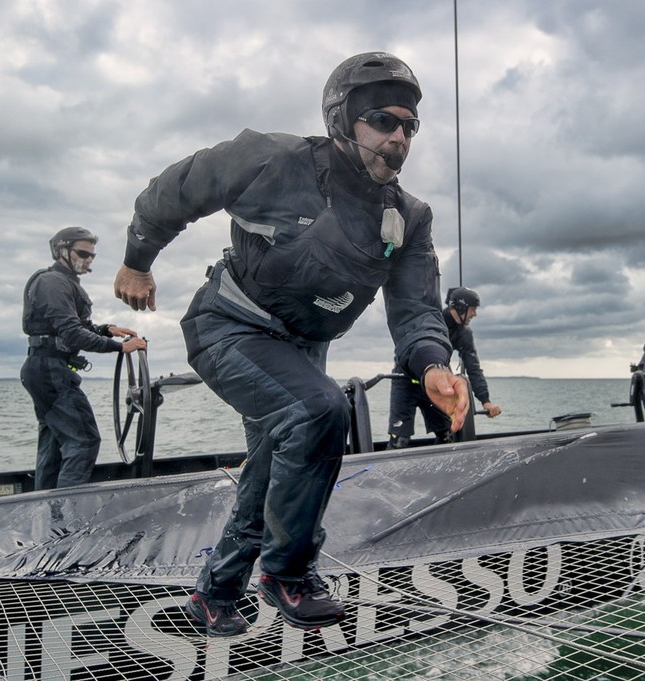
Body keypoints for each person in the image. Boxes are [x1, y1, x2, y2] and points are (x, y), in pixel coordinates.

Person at [112, 52, 469, 637]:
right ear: (342, 118)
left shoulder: (409, 216)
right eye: (383, 120)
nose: (399, 137)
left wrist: (432, 364)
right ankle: (288, 573)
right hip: (229, 326)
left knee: (278, 459)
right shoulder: (271, 159)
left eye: (410, 127)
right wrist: (137, 261)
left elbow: (416, 309)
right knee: (318, 410)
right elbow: (176, 190)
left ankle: (216, 593)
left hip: (301, 348)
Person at [21, 227, 147, 490]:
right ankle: (67, 518)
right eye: (82, 253)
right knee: (85, 440)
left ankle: (48, 514)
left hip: (45, 369)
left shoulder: (66, 284)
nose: (88, 260)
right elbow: (72, 333)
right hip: (50, 371)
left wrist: (106, 329)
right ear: (61, 251)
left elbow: (74, 327)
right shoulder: (52, 282)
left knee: (54, 443)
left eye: (92, 256)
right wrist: (119, 347)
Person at [387, 286, 502, 448]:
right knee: (399, 440)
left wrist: (485, 401)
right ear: (461, 307)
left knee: (447, 435)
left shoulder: (464, 334)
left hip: (438, 384)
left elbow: (473, 368)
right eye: (473, 309)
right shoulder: (431, 319)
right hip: (406, 382)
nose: (474, 314)